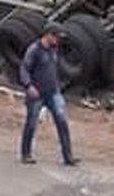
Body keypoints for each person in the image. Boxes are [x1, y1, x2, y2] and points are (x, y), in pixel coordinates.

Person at [19, 23, 79, 166]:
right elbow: (24, 69)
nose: (58, 40)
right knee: (31, 124)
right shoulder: (34, 50)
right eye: (57, 37)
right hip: (37, 94)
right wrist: (28, 86)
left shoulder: (54, 49)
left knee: (62, 122)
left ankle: (68, 156)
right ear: (48, 35)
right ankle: (26, 153)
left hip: (53, 92)